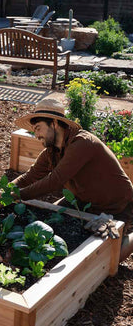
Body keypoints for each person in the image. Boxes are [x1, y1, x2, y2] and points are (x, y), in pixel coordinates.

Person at [11, 98, 133, 261]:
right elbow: (30, 175)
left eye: (38, 128)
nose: (36, 135)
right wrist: (7, 190)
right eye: (34, 130)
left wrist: (18, 195)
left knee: (104, 259)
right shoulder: (51, 151)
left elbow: (55, 180)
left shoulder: (82, 143)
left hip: (115, 205)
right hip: (82, 200)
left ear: (54, 123)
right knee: (49, 222)